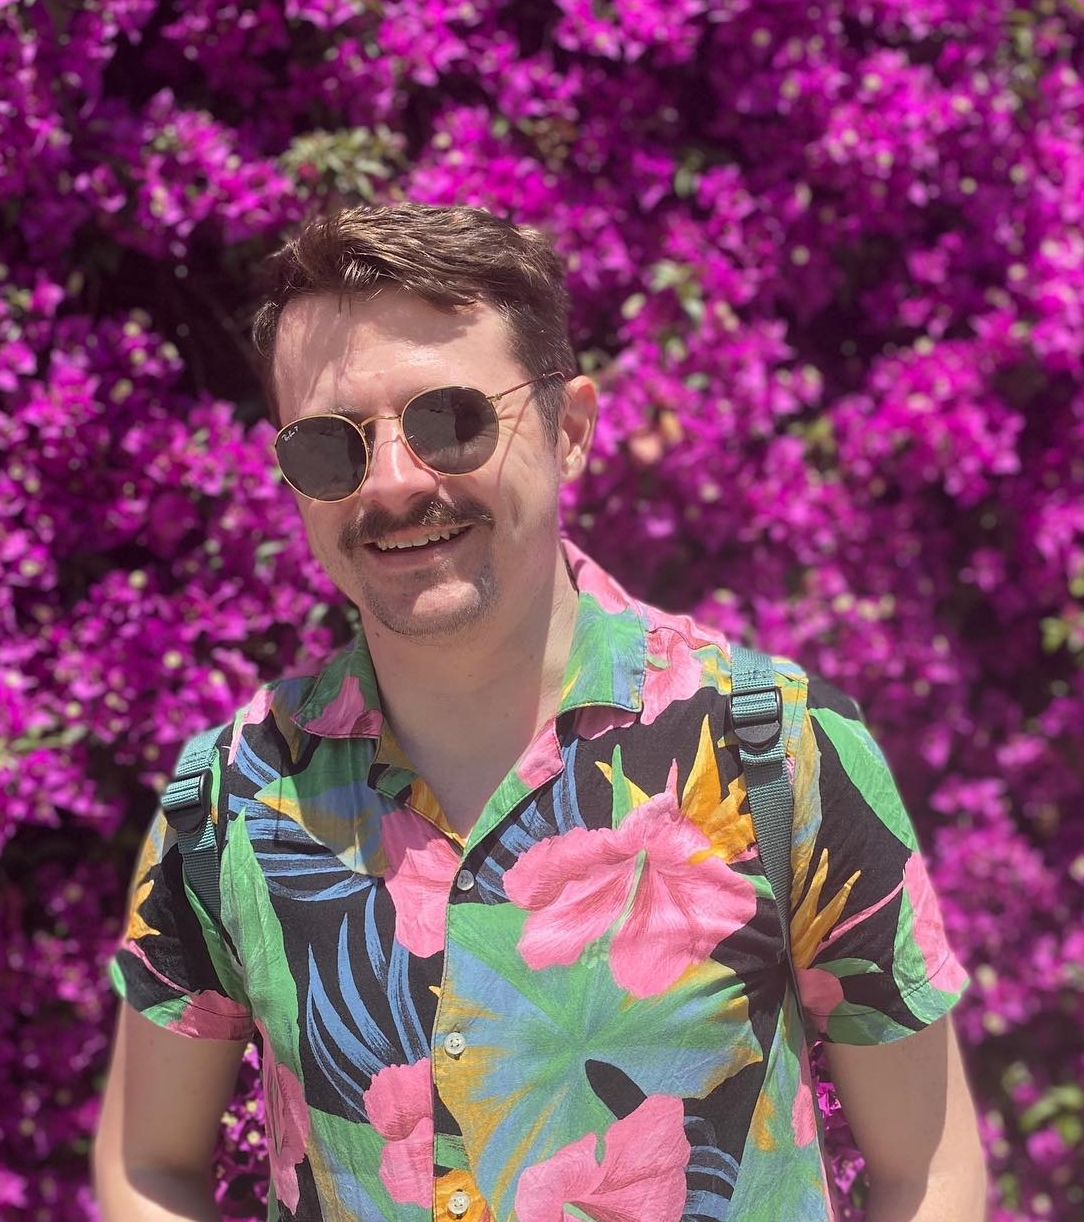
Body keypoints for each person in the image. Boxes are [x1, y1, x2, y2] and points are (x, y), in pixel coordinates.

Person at [93, 204, 987, 1222]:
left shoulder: (779, 748)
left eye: (450, 419)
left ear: (569, 431)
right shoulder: (232, 796)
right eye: (331, 446)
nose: (392, 482)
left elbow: (928, 1172)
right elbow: (147, 1167)